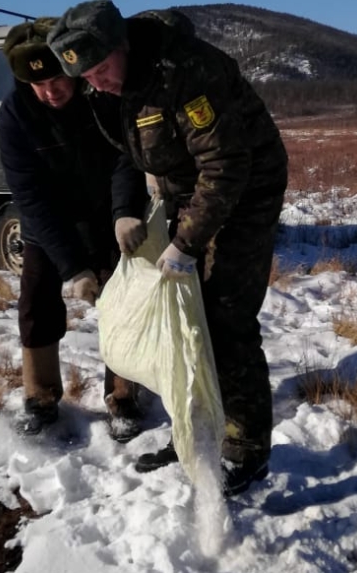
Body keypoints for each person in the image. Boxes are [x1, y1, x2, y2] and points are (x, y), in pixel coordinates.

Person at [47, 2, 289, 495]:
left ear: (123, 46)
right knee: (185, 323)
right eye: (88, 76)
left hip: (245, 193)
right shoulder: (118, 84)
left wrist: (186, 242)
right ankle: (196, 437)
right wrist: (138, 209)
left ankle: (244, 452)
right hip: (191, 194)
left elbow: (225, 165)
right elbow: (136, 152)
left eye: (102, 69)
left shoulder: (187, 71)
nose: (99, 83)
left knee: (225, 320)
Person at [0, 17, 149, 439]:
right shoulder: (13, 118)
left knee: (123, 303)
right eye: (37, 85)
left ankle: (124, 396)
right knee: (36, 304)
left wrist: (123, 212)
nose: (50, 92)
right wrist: (72, 268)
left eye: (56, 79)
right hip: (49, 223)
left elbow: (126, 158)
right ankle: (39, 397)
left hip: (106, 215)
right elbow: (31, 198)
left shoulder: (101, 97)